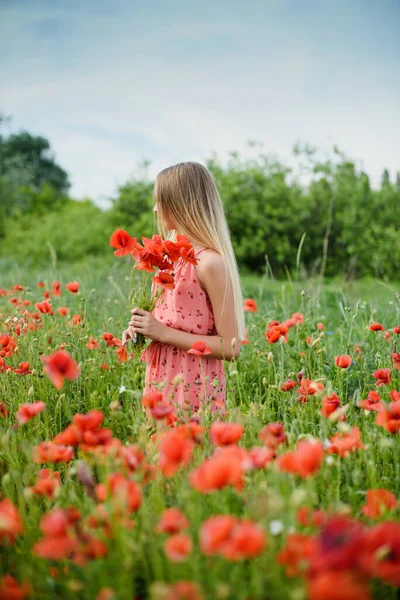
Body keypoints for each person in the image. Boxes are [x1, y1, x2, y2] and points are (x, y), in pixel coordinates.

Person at [122, 161, 245, 412]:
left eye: (160, 201)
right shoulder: (170, 262)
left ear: (180, 204)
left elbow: (231, 346)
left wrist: (163, 333)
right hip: (160, 379)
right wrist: (143, 329)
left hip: (194, 386)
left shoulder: (210, 263)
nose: (155, 209)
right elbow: (168, 322)